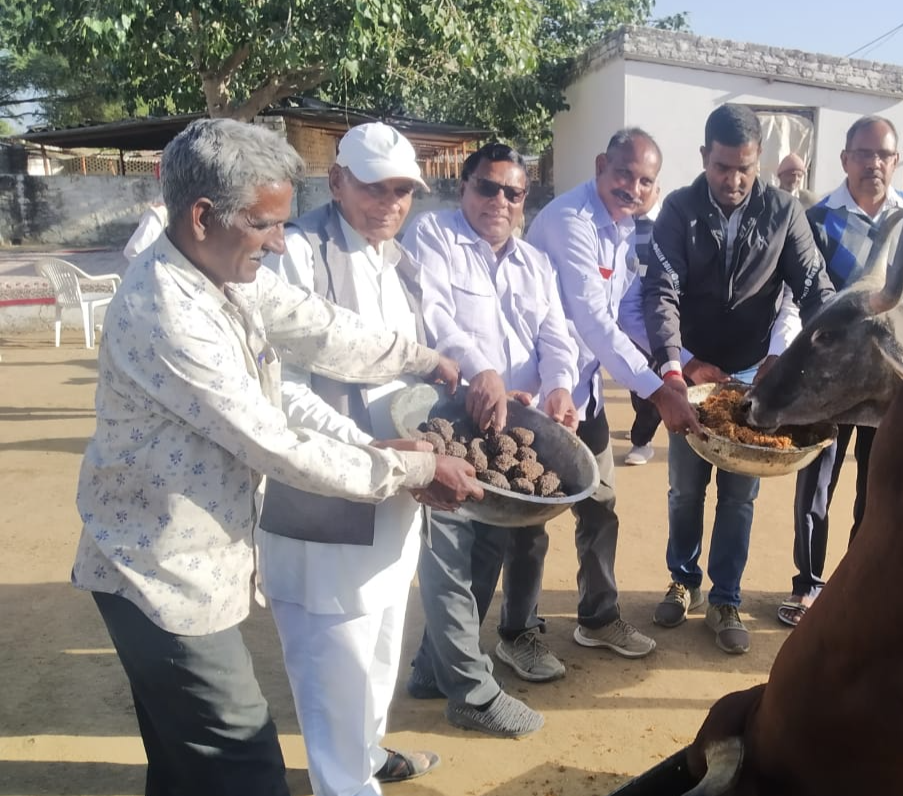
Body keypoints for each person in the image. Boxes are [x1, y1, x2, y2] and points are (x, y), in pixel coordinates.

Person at [70, 118, 468, 796]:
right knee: (244, 759)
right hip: (162, 577)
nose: (282, 241)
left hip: (199, 559)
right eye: (265, 225)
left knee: (183, 766)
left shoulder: (227, 274)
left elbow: (317, 326)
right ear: (202, 217)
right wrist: (413, 468)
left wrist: (423, 358)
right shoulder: (168, 310)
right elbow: (272, 441)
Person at [257, 123, 475, 795]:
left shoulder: (397, 261)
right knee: (334, 662)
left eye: (403, 190)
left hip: (395, 491)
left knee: (379, 642)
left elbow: (413, 365)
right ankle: (346, 783)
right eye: (375, 187)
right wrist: (370, 450)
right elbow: (282, 392)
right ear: (338, 182)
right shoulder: (295, 256)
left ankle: (368, 754)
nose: (391, 202)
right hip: (328, 494)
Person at [630, 104, 835, 655]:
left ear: (758, 161)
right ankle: (683, 579)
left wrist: (792, 355)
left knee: (740, 495)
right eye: (723, 166)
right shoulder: (677, 209)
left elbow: (815, 289)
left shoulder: (785, 212)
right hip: (690, 371)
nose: (734, 179)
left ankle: (725, 597)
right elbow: (661, 292)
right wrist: (678, 366)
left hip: (751, 374)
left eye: (745, 167)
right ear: (704, 158)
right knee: (684, 489)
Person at [402, 142, 578, 738]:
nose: (499, 201)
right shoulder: (434, 238)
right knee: (449, 551)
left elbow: (558, 335)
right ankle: (471, 691)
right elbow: (436, 318)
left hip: (514, 426)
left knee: (486, 552)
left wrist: (559, 387)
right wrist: (484, 370)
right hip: (448, 418)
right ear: (463, 187)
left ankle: (434, 667)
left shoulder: (535, 264)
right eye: (487, 187)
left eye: (513, 192)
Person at [525, 129, 697, 662]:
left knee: (601, 508)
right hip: (539, 396)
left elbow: (626, 314)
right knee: (531, 519)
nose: (633, 187)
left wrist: (684, 364)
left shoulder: (622, 230)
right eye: (624, 173)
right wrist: (657, 391)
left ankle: (597, 618)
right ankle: (519, 631)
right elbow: (592, 321)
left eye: (645, 181)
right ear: (602, 164)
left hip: (587, 395)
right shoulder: (569, 222)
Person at [782, 115, 903, 627]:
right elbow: (796, 298)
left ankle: (856, 586)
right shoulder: (819, 217)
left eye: (883, 155)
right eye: (863, 154)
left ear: (897, 161)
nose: (873, 164)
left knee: (880, 483)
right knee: (817, 482)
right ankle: (808, 584)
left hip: (888, 381)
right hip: (825, 378)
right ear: (845, 159)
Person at [624, 198, 664, 467]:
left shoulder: (668, 225)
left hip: (662, 312)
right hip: (628, 314)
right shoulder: (620, 225)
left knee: (656, 375)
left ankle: (642, 440)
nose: (636, 191)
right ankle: (642, 423)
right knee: (636, 376)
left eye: (646, 183)